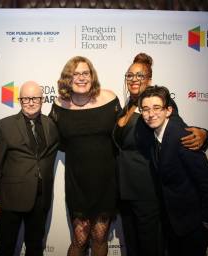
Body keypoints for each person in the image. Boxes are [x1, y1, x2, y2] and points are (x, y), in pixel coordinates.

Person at [112, 53, 208, 256]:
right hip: (125, 190)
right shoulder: (127, 107)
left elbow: (178, 128)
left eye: (140, 76)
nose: (134, 80)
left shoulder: (157, 105)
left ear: (149, 79)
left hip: (147, 191)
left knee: (150, 248)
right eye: (130, 75)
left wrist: (204, 135)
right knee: (132, 247)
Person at [49, 56, 121, 256]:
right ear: (67, 78)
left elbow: (124, 135)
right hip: (77, 183)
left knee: (99, 237)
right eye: (75, 74)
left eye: (85, 73)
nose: (81, 78)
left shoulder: (110, 99)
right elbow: (53, 140)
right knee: (80, 239)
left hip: (106, 182)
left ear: (92, 76)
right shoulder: (59, 106)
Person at [138, 85, 208, 256]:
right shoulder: (155, 134)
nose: (151, 114)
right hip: (174, 223)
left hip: (193, 225)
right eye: (145, 109)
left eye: (156, 108)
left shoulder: (183, 137)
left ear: (168, 111)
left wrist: (205, 222)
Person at [0, 81, 59, 256]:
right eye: (26, 98)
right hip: (11, 198)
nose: (31, 102)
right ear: (20, 100)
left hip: (41, 198)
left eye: (35, 98)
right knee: (5, 246)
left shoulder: (51, 125)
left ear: (42, 100)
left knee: (35, 247)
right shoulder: (5, 126)